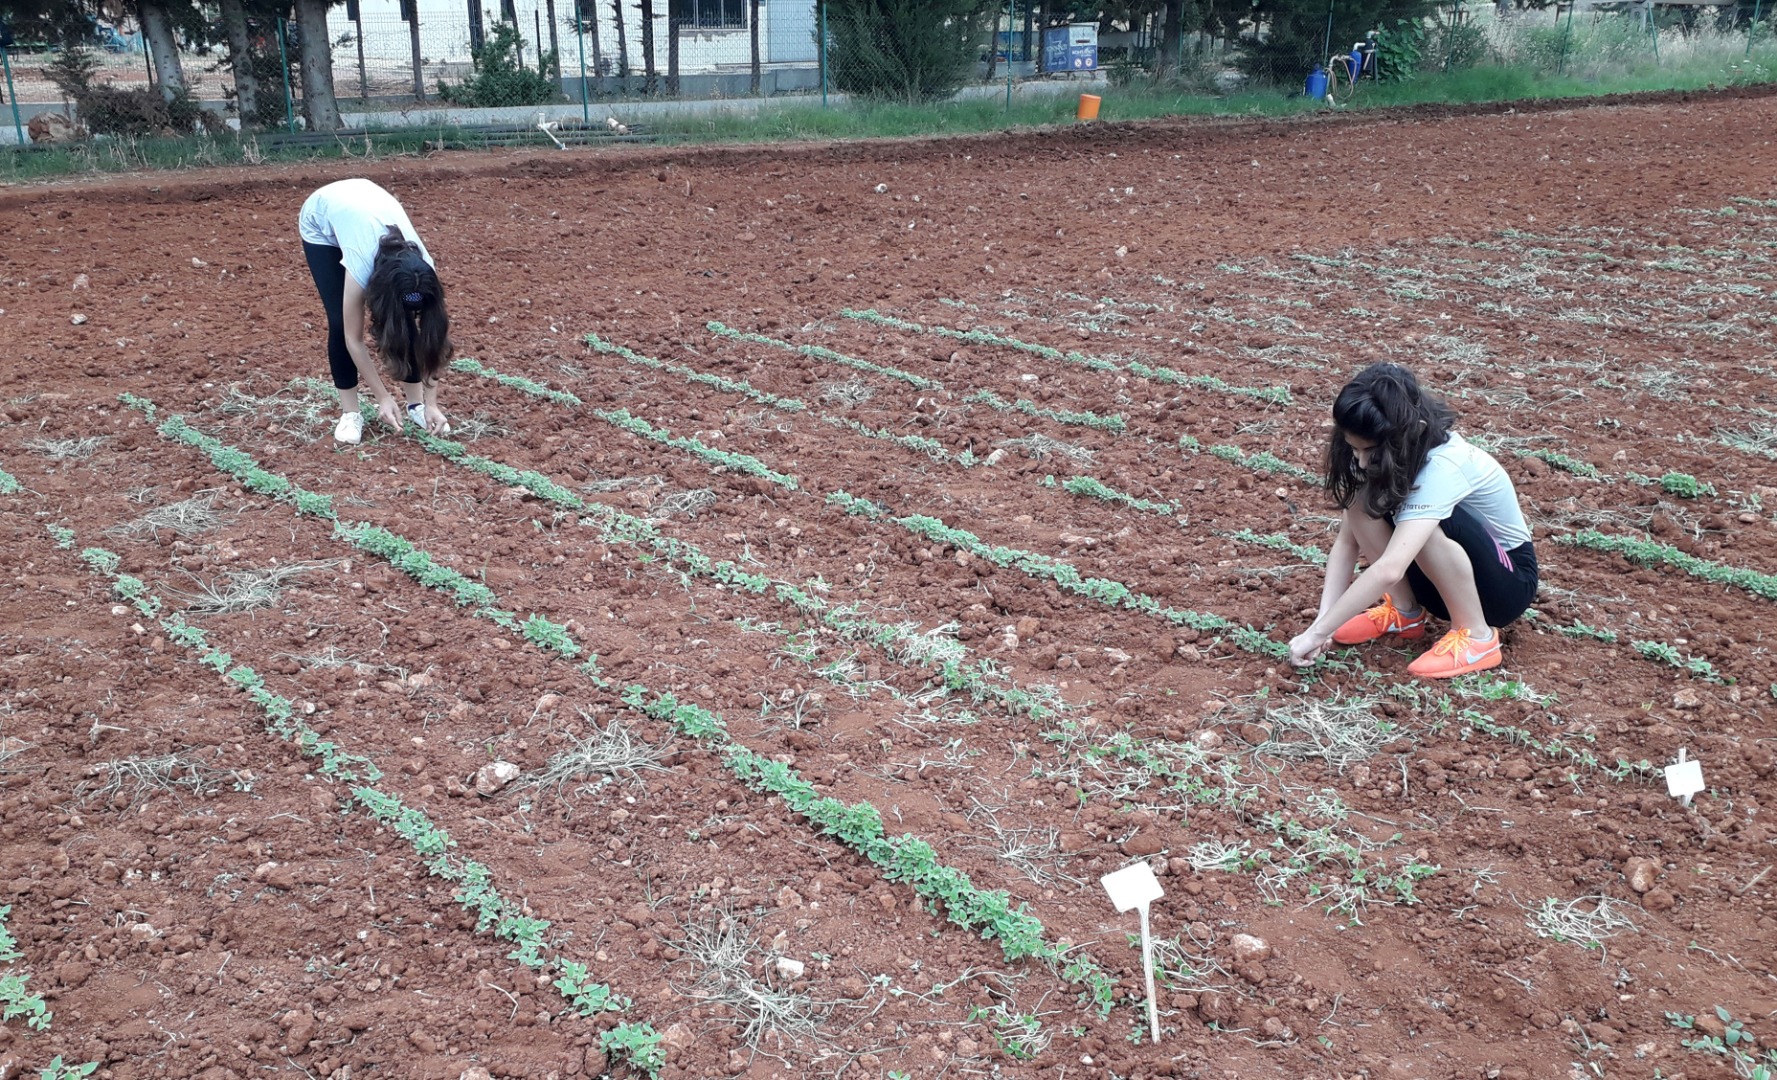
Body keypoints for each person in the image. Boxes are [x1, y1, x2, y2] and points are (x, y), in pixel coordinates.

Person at [1288, 363, 1538, 678]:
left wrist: (1315, 634)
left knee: (1429, 527)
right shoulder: (1375, 456)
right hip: (1440, 583)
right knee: (1360, 501)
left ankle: (1477, 637)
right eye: (1354, 449)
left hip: (1506, 586)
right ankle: (1405, 612)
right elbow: (1346, 543)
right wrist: (1322, 625)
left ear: (1411, 431)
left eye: (1370, 452)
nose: (1361, 462)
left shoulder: (1444, 465)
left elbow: (1391, 567)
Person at [298, 178, 452, 445]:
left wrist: (432, 403)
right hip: (322, 218)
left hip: (366, 201)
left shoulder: (425, 271)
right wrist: (383, 397)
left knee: (405, 322)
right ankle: (350, 412)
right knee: (339, 321)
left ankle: (415, 406)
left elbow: (431, 339)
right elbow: (353, 339)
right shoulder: (361, 265)